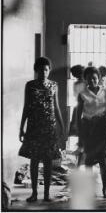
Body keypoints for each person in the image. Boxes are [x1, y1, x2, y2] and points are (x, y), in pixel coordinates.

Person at [18, 57, 65, 202]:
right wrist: (21, 127)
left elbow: (56, 107)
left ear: (49, 70)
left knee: (48, 160)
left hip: (49, 128)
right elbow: (26, 106)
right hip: (34, 127)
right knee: (34, 160)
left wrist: (62, 127)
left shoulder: (54, 85)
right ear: (36, 70)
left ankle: (46, 194)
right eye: (41, 69)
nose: (44, 72)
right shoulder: (30, 85)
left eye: (46, 69)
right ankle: (34, 193)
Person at [76, 66, 106, 198]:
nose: (92, 80)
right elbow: (79, 115)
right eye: (89, 78)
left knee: (102, 160)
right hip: (88, 129)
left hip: (101, 129)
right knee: (89, 160)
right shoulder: (82, 94)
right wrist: (80, 134)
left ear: (99, 78)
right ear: (86, 79)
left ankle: (105, 189)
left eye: (95, 78)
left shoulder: (105, 92)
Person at [69, 65, 86, 165]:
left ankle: (81, 157)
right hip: (80, 108)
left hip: (85, 108)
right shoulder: (80, 83)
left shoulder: (84, 83)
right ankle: (80, 156)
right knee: (81, 133)